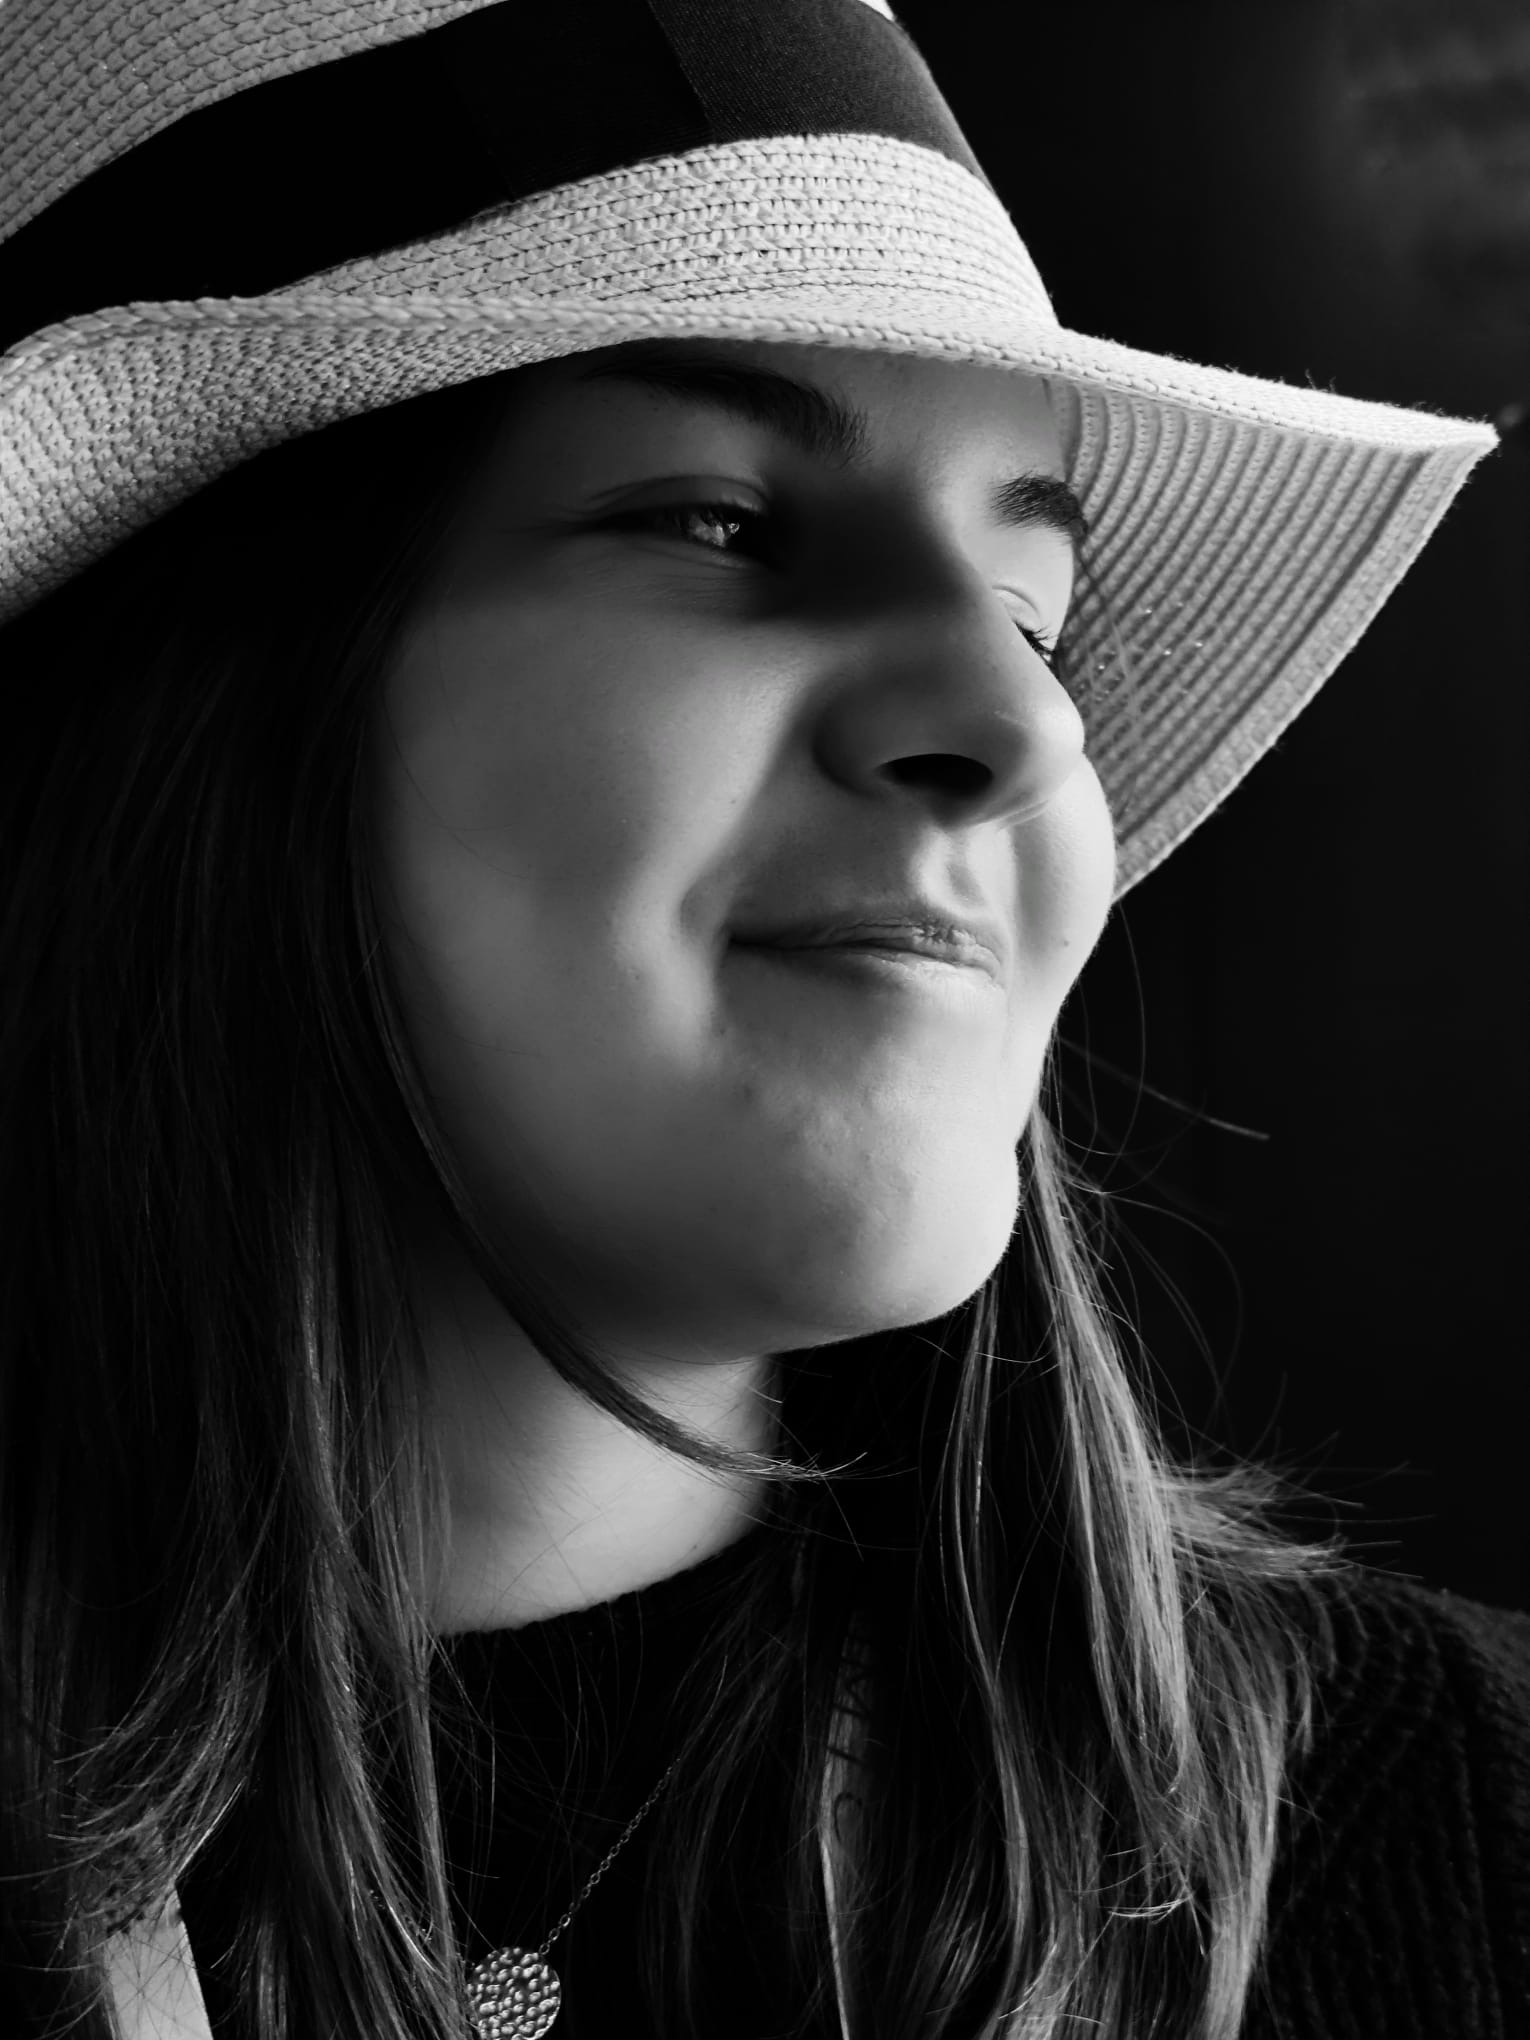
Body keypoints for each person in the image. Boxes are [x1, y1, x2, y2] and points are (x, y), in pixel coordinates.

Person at [0, 4, 1522, 2039]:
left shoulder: (1472, 1830)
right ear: (180, 718)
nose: (1016, 722)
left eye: (1034, 614)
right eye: (719, 523)